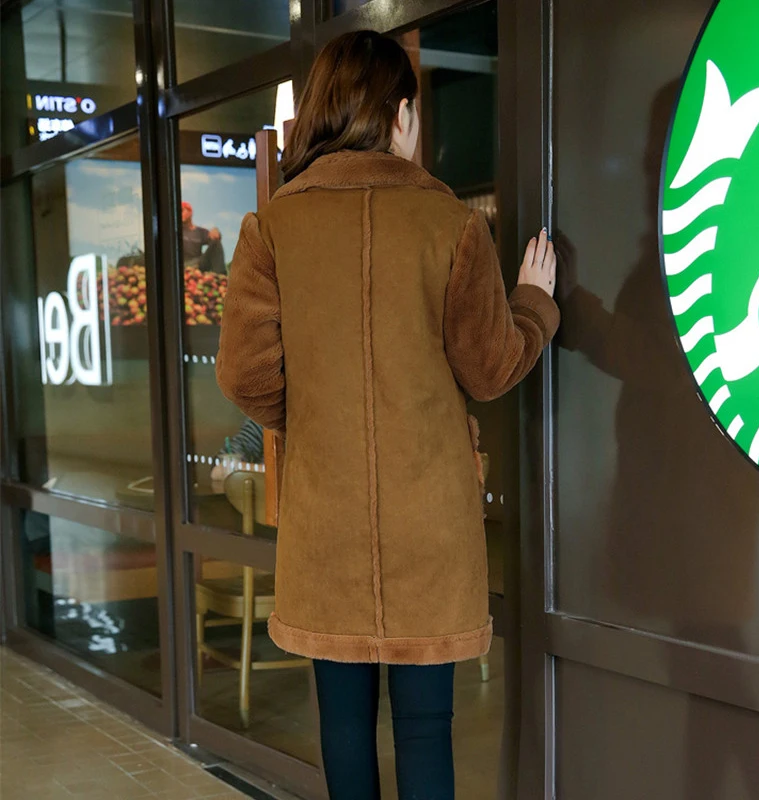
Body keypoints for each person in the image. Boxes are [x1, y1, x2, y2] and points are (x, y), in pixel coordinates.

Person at [216, 30, 559, 800]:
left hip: (326, 527)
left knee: (343, 727)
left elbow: (244, 375)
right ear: (401, 114)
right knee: (426, 730)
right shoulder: (451, 224)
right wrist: (533, 303)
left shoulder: (272, 227)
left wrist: (310, 419)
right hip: (428, 527)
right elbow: (491, 368)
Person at [181, 200, 226, 273]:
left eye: (182, 210)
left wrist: (216, 231)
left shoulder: (200, 231)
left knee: (216, 243)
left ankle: (221, 276)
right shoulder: (176, 230)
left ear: (190, 212)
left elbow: (215, 238)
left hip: (198, 264)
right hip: (183, 265)